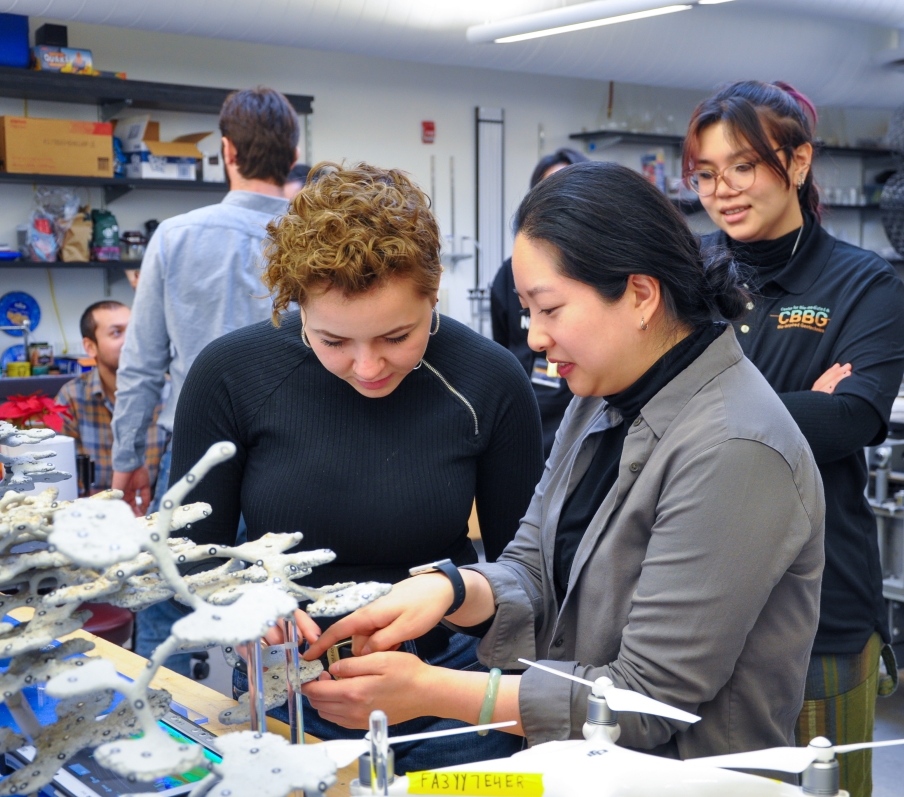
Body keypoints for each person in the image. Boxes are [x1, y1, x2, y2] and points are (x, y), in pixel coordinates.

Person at [302, 161, 826, 760]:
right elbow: (531, 564)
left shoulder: (734, 449)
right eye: (527, 312)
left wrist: (433, 691)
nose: (535, 338)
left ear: (639, 295)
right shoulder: (602, 394)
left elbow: (645, 699)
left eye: (549, 310)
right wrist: (449, 590)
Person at [172, 162, 543, 770]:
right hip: (290, 689)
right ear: (297, 305)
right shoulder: (231, 374)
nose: (368, 368)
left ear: (434, 290)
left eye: (397, 336)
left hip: (450, 693)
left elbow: (525, 574)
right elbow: (191, 550)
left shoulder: (490, 381)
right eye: (333, 342)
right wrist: (239, 604)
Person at [685, 80, 904, 797]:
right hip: (689, 598)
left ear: (799, 163)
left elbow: (849, 420)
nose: (724, 190)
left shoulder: (862, 284)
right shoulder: (685, 282)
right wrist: (798, 402)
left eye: (744, 166)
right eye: (708, 174)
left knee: (826, 788)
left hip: (819, 607)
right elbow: (639, 409)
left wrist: (695, 407)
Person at [113, 86, 299, 676]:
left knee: (175, 601)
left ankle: (165, 736)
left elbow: (140, 363)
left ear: (226, 150)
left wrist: (127, 459)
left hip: (196, 455)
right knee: (287, 604)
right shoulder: (315, 238)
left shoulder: (175, 236)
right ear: (292, 153)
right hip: (299, 452)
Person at [489, 147, 587, 456]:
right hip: (529, 419)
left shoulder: (597, 275)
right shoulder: (509, 275)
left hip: (579, 416)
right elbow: (505, 349)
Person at [56, 301, 165, 494]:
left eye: (134, 330)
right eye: (117, 332)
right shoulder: (71, 397)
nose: (131, 340)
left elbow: (173, 476)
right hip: (89, 517)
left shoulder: (168, 393)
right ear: (90, 347)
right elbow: (60, 476)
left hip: (153, 514)